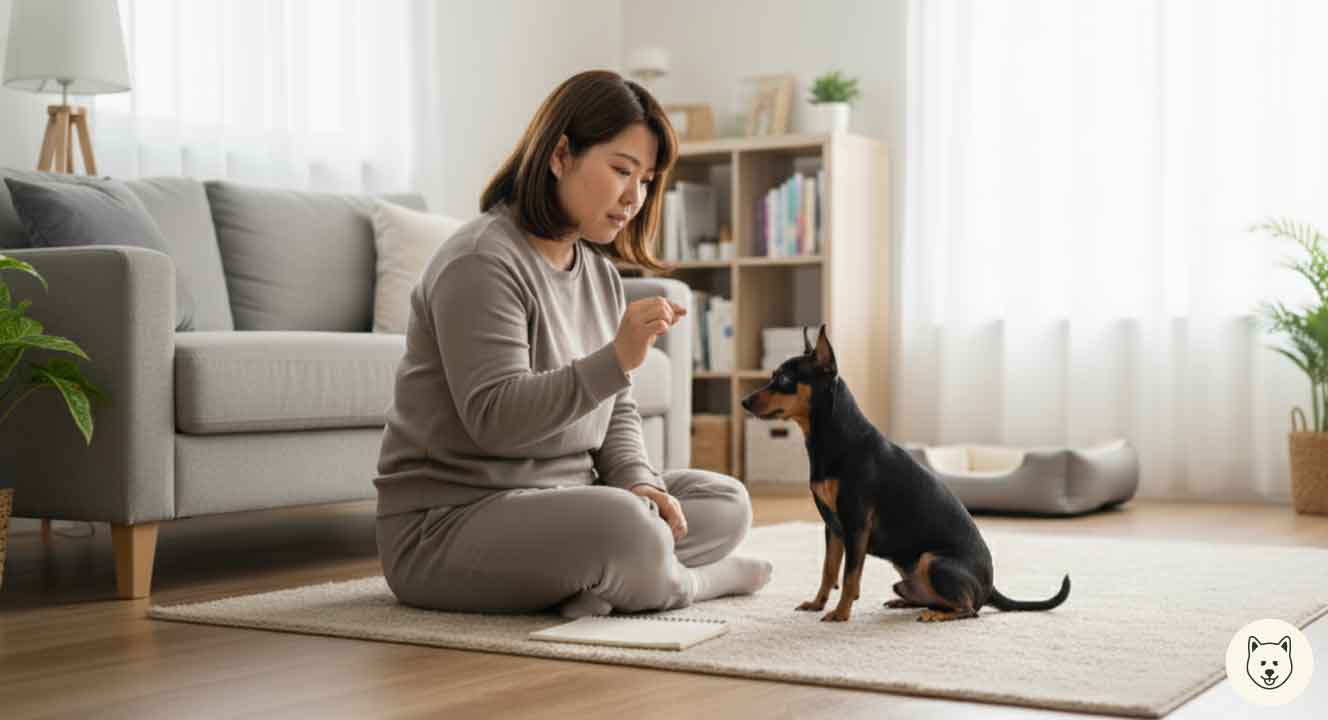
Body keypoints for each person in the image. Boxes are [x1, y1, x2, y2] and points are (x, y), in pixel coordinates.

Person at [374, 70, 772, 618]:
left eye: (648, 181)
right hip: (448, 523)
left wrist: (638, 482)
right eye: (621, 171)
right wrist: (616, 361)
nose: (635, 197)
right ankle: (694, 583)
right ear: (561, 156)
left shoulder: (599, 274)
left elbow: (618, 412)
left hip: (569, 502)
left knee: (726, 502)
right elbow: (496, 419)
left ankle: (595, 578)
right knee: (625, 527)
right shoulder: (480, 262)